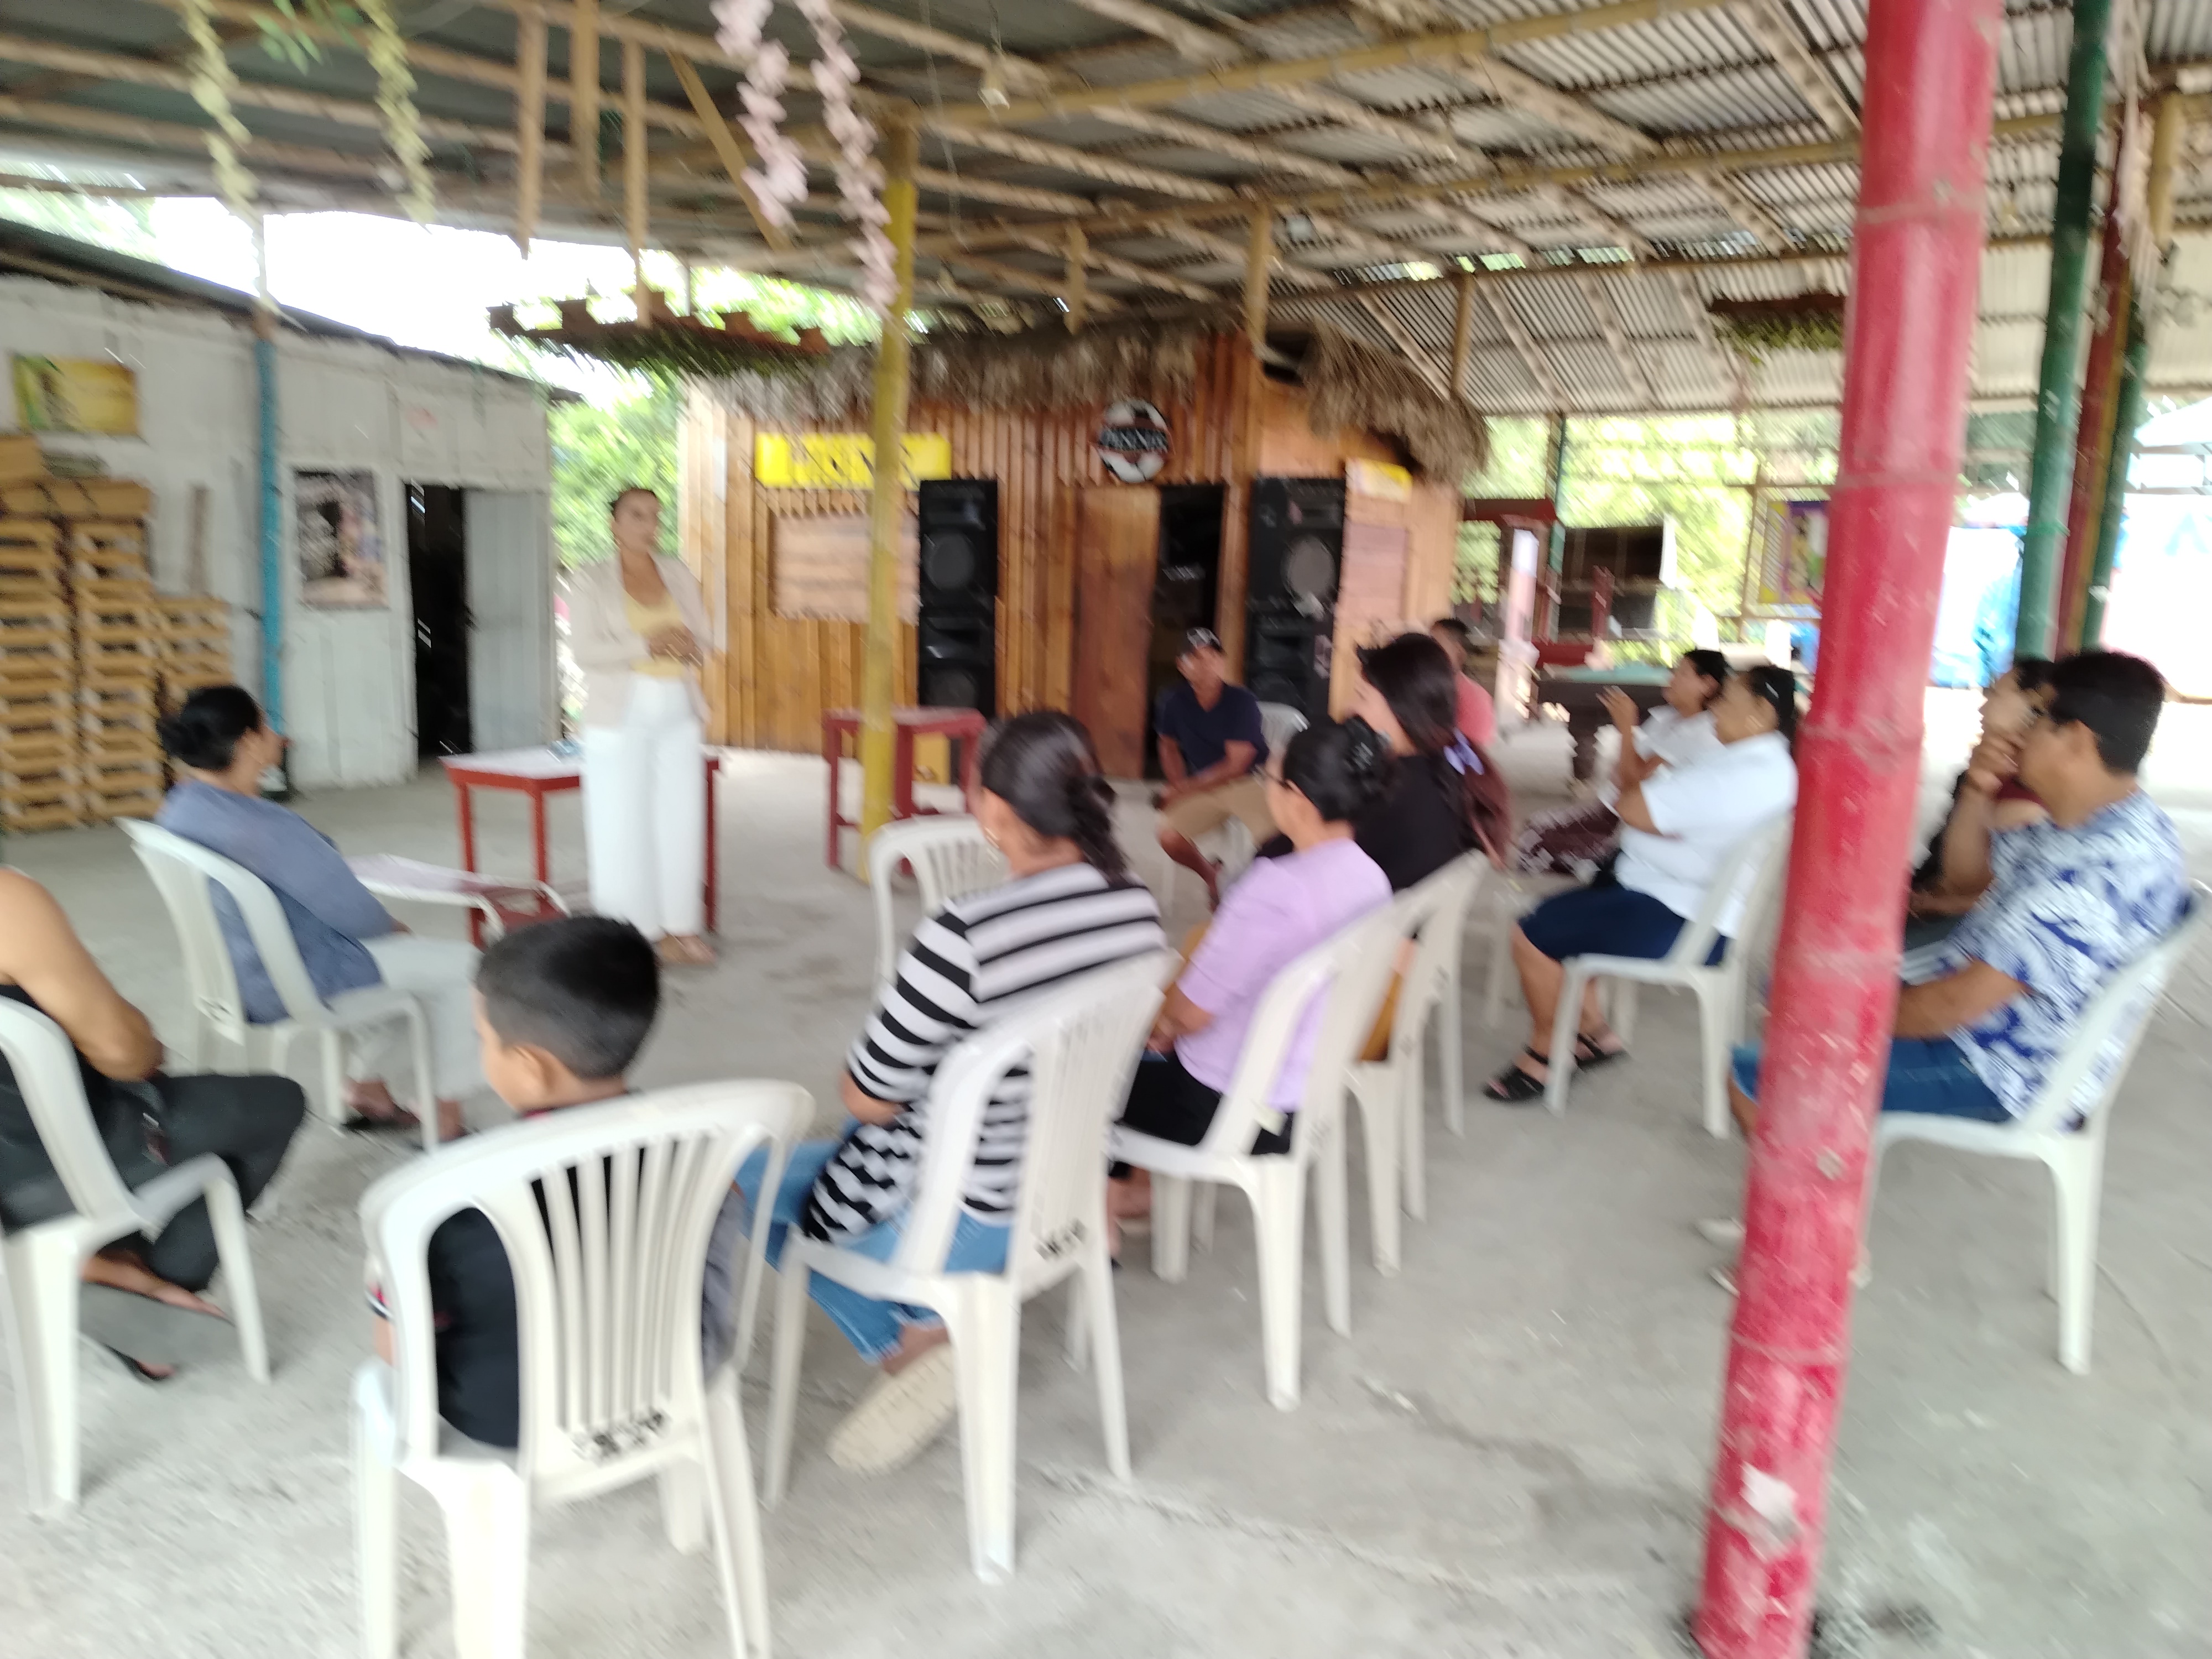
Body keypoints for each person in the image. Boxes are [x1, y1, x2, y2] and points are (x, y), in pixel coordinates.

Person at [735, 712, 1166, 1474]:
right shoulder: (1135, 905)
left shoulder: (963, 936)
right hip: (1063, 1195)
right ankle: (929, 1327)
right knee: (803, 1164)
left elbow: (868, 1099)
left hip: (967, 1218)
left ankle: (911, 1339)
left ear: (993, 810)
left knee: (737, 1181)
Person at [1707, 651, 2187, 1272]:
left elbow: (1954, 1006)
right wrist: (1979, 790)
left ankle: (1813, 1254)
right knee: (1800, 1003)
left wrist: (1829, 1019)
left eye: (2037, 720)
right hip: (2005, 1035)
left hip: (2000, 1067)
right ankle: (1800, 1206)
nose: (2020, 732)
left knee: (1761, 1075)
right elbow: (1968, 878)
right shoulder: (2103, 826)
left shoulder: (2087, 876)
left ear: (2076, 740)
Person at [364, 917, 740, 1447]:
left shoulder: (453, 1192)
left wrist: (382, 1273)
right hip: (674, 1384)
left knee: (392, 1269)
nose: (482, 1052)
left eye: (483, 1040)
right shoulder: (701, 1153)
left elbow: (397, 1352)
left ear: (530, 1068)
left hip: (512, 1417)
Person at [0, 868, 305, 1380]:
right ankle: (157, 1290)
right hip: (76, 1158)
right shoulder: (8, 901)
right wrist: (143, 1046)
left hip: (8, 1200)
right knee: (278, 1103)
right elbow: (123, 1052)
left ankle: (103, 1268)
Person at [157, 686, 481, 1140]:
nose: (278, 735)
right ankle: (443, 1115)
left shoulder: (181, 807)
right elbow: (357, 915)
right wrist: (394, 928)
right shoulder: (266, 827)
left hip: (235, 974)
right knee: (469, 968)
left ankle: (368, 1088)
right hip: (296, 978)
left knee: (407, 966)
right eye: (267, 725)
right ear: (248, 743)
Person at [1486, 664, 1799, 1103]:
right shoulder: (1764, 763)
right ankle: (1596, 1035)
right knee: (1572, 914)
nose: (1715, 711)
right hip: (1687, 899)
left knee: (1532, 935)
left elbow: (1632, 807)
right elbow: (1645, 797)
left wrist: (1650, 803)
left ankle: (1547, 1053)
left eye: (1727, 701)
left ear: (1760, 713)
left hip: (1680, 917)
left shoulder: (1741, 775)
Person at [1111, 717, 1394, 1201]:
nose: (1265, 789)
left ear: (1298, 799)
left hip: (1227, 1106)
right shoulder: (1371, 878)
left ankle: (1113, 1208)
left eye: (1271, 779)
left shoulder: (1276, 887)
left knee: (1095, 1075)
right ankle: (1131, 1192)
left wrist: (1162, 1026)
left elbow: (1189, 1014)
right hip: (1303, 1096)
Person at [565, 486, 716, 968]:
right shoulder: (590, 579)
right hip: (619, 715)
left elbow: (705, 643)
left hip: (678, 710)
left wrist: (688, 645)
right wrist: (648, 645)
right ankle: (632, 937)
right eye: (636, 515)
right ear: (614, 523)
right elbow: (585, 652)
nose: (649, 525)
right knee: (620, 826)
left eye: (654, 516)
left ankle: (681, 927)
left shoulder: (678, 574)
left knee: (681, 820)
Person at [1511, 649, 1728, 879]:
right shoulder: (1666, 717)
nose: (1672, 678)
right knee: (1534, 829)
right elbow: (1623, 771)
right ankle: (1596, 863)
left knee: (1536, 842)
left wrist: (1627, 729)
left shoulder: (1701, 733)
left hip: (1631, 820)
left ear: (1707, 685)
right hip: (1610, 807)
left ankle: (1606, 864)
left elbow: (1631, 784)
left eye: (1682, 673)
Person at [1903, 656, 2052, 953]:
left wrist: (1937, 902)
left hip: (1963, 929)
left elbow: (1965, 886)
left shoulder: (2028, 797)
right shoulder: (1987, 773)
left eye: (1995, 693)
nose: (1984, 705)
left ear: (2034, 704)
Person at [1153, 627, 1273, 907]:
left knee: (1275, 843)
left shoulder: (1241, 701)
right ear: (1182, 665)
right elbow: (1167, 745)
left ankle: (1261, 900)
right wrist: (1176, 784)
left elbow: (1236, 765)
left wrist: (1184, 788)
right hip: (1205, 784)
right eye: (1197, 657)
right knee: (1169, 837)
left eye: (1214, 657)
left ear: (1222, 662)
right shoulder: (1173, 700)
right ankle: (1212, 876)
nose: (1207, 664)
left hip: (1249, 782)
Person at [1430, 616, 1498, 749]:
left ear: (1458, 653)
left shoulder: (1475, 698)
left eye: (1435, 645)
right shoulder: (1425, 687)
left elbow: (1472, 752)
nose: (1427, 652)